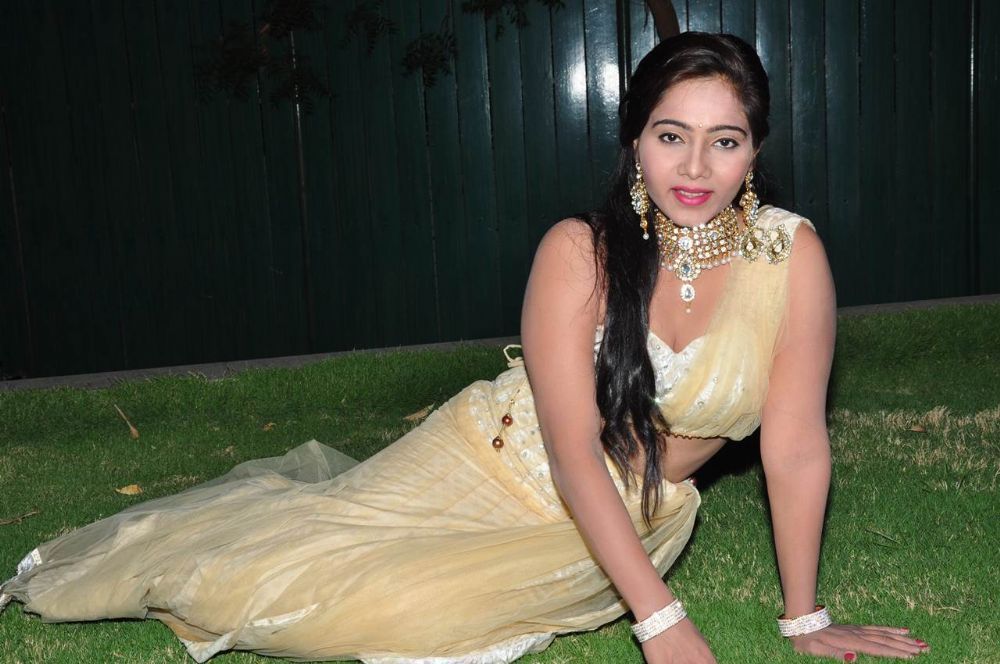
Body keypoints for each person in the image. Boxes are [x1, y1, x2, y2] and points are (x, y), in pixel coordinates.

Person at [0, 32, 927, 664]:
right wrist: (661, 621)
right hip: (495, 460)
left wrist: (805, 618)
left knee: (401, 608)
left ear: (755, 152)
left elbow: (794, 444)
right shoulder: (580, 251)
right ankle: (86, 572)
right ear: (634, 140)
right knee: (283, 577)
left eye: (724, 141)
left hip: (635, 515)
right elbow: (572, 448)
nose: (694, 168)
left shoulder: (789, 257)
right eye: (670, 136)